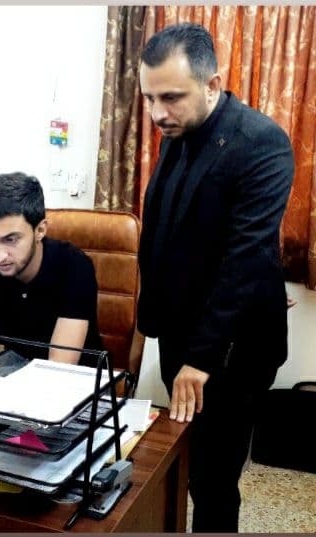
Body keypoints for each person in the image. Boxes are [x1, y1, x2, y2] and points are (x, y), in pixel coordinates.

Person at [137, 23, 294, 532]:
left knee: (214, 477)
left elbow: (244, 256)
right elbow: (171, 226)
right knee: (188, 461)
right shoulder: (176, 132)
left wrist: (200, 360)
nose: (157, 112)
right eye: (149, 98)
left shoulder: (261, 142)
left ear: (212, 85)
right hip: (180, 332)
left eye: (171, 97)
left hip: (232, 347)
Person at [0, 172, 102, 381]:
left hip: (77, 382)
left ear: (40, 230)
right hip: (16, 375)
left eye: (11, 240)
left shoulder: (74, 266)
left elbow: (59, 368)